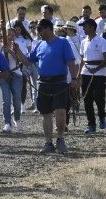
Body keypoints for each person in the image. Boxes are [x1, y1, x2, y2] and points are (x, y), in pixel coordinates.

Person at [28, 17, 77, 154]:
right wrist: (14, 51)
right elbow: (28, 61)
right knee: (46, 114)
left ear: (48, 29)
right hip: (43, 83)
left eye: (40, 29)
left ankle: (60, 139)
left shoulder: (63, 42)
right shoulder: (39, 45)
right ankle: (48, 142)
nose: (38, 32)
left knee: (61, 112)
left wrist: (73, 78)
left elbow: (71, 61)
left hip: (60, 82)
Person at [79, 19, 106, 133]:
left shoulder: (101, 41)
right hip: (86, 72)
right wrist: (79, 74)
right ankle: (91, 124)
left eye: (85, 26)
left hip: (99, 73)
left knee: (99, 97)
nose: (83, 29)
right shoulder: (83, 42)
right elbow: (82, 59)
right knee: (87, 99)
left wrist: (97, 69)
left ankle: (102, 115)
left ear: (91, 27)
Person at [1, 19, 33, 132]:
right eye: (7, 33)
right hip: (4, 76)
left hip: (17, 73)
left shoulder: (18, 45)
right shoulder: (0, 46)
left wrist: (10, 51)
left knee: (17, 99)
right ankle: (7, 123)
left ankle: (17, 120)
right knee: (6, 99)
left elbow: (21, 60)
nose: (9, 35)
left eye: (11, 33)